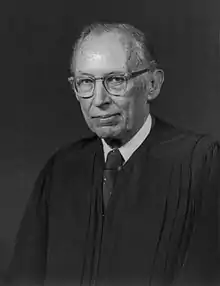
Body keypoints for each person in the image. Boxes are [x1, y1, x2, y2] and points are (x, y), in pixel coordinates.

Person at [5, 22, 220, 286]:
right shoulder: (61, 170)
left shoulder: (201, 164)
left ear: (153, 84)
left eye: (116, 79)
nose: (99, 99)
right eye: (85, 82)